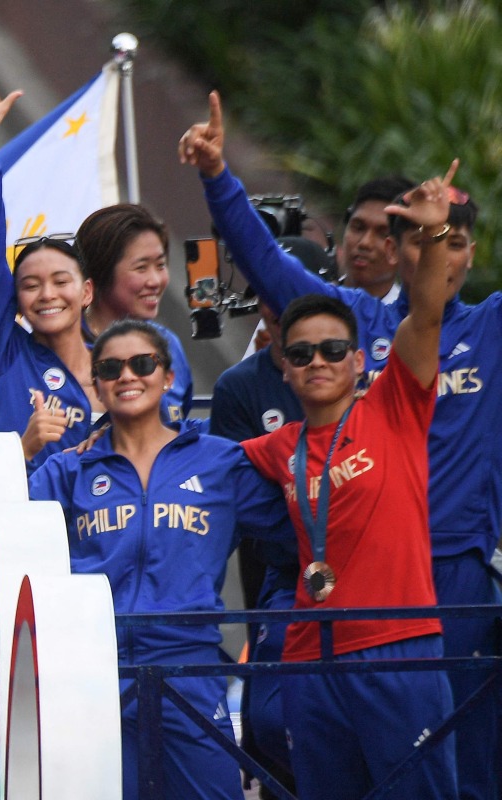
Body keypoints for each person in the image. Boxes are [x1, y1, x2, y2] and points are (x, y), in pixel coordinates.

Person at [182, 90, 497, 798]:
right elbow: (262, 263)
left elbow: (427, 309)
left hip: (445, 576)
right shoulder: (336, 341)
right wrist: (217, 179)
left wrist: (435, 230)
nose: (319, 359)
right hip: (319, 615)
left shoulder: (440, 357)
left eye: (438, 239)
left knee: (465, 762)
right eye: (304, 353)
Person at [28, 320, 290, 800]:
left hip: (187, 668)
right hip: (91, 672)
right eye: (110, 368)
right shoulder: (69, 468)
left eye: (142, 363)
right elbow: (5, 538)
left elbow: (294, 530)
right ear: (98, 387)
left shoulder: (218, 462)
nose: (127, 375)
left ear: (168, 377)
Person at [208, 236, 335, 795]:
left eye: (329, 353)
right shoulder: (242, 386)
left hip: (376, 581)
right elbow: (227, 478)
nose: (314, 365)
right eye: (268, 295)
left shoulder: (376, 389)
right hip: (284, 578)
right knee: (268, 722)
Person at [0, 69, 101, 467]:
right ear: (15, 301)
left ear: (87, 291)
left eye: (60, 281)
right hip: (20, 528)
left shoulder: (120, 364)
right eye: (31, 285)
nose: (48, 294)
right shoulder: (0, 356)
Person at [75, 204, 193, 422]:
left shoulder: (168, 344)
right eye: (141, 268)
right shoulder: (68, 347)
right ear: (100, 271)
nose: (155, 281)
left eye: (160, 265)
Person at [337, 175, 415, 302]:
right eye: (358, 227)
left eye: (383, 234)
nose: (365, 243)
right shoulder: (314, 299)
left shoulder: (410, 319)